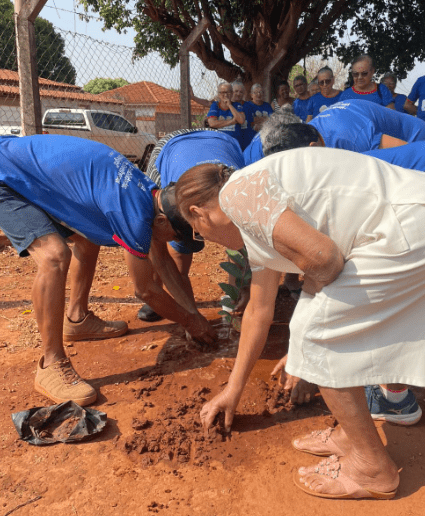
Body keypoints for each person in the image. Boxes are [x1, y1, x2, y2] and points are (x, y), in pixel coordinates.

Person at [175, 146, 425, 499]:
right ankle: (349, 435)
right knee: (324, 328)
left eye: (198, 232)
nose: (205, 239)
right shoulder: (258, 207)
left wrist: (305, 346)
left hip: (422, 226)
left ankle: (372, 468)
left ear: (199, 213)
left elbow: (324, 258)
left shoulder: (238, 195)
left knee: (315, 335)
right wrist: (233, 390)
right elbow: (259, 310)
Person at [0, 135, 217, 407]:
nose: (171, 242)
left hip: (35, 176)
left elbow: (163, 262)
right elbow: (146, 290)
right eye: (174, 235)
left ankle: (76, 319)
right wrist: (189, 322)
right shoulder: (136, 215)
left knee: (89, 235)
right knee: (54, 256)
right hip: (7, 178)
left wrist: (194, 315)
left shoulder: (149, 193)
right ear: (161, 221)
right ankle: (50, 363)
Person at [137, 128, 246, 322]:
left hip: (222, 141)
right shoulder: (176, 202)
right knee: (158, 230)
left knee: (241, 245)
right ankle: (159, 293)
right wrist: (191, 317)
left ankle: (235, 298)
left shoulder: (240, 197)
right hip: (172, 146)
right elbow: (172, 263)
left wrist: (239, 292)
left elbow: (241, 249)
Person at [243, 99, 425, 166]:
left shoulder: (352, 139)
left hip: (416, 139)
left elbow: (410, 154)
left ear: (313, 148)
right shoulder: (301, 133)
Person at [207, 82, 246, 147]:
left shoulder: (237, 105)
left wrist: (229, 105)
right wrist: (232, 121)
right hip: (219, 143)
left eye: (228, 92)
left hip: (235, 143)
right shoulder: (215, 105)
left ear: (232, 94)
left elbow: (241, 120)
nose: (225, 95)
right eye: (222, 92)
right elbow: (212, 123)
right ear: (219, 94)